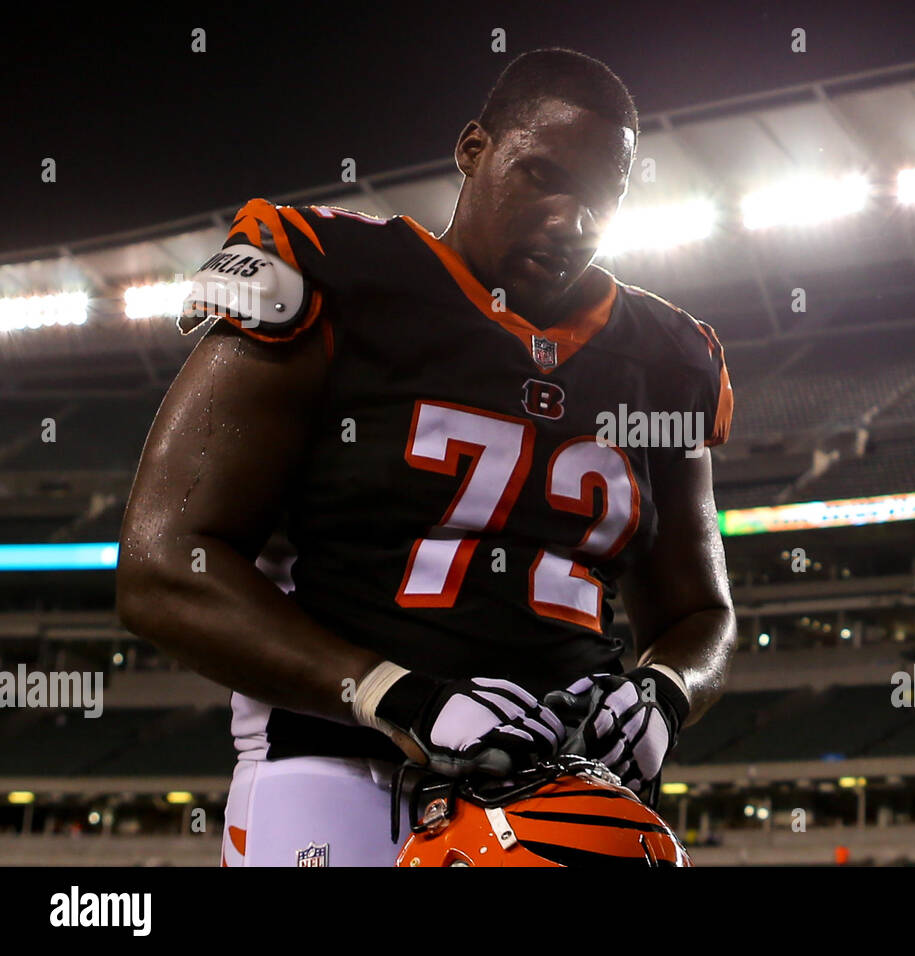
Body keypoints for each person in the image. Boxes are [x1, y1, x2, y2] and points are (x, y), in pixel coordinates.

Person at [116, 48, 737, 866]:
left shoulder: (671, 357)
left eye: (599, 196)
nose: (569, 220)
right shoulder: (327, 275)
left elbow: (700, 613)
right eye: (540, 175)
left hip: (568, 786)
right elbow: (164, 564)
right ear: (472, 149)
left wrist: (664, 692)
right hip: (341, 769)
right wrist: (394, 695)